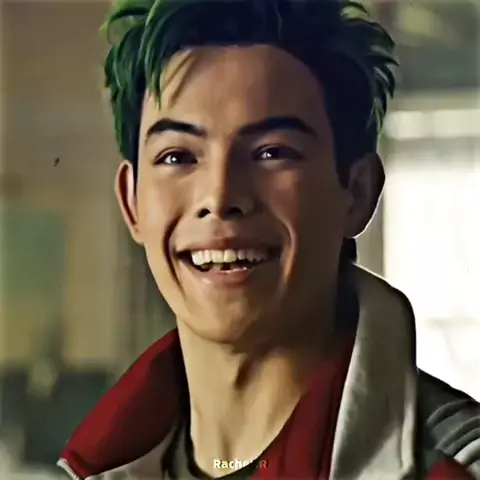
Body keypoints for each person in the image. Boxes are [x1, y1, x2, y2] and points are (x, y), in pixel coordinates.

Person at [58, 0, 480, 478]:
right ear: (131, 201)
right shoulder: (98, 467)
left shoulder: (455, 467)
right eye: (178, 157)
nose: (220, 197)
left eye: (272, 152)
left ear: (358, 192)